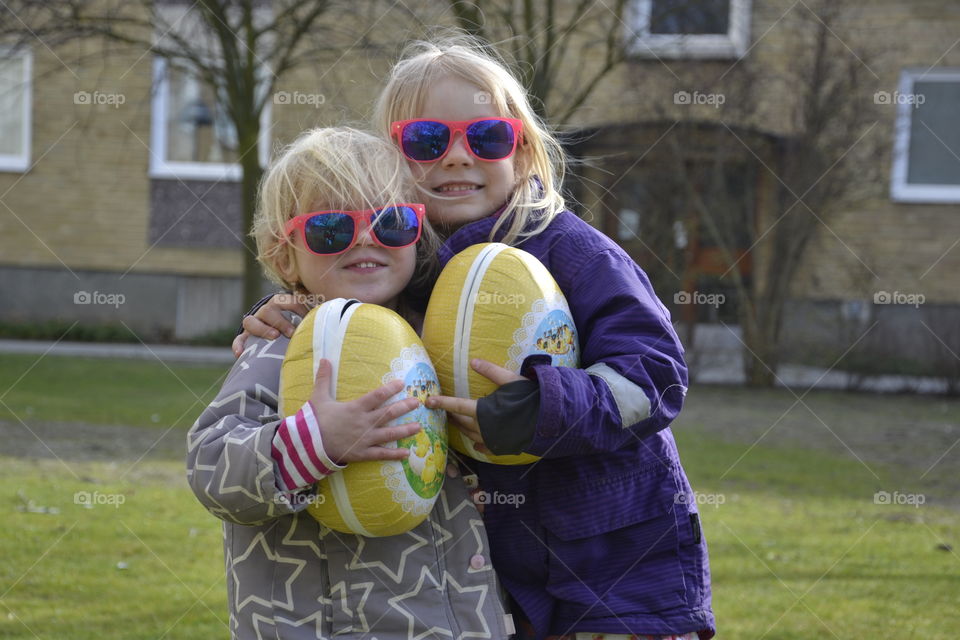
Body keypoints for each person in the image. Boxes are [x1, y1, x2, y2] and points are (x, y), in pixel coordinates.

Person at [236, 38, 715, 640]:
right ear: (390, 161)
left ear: (521, 149)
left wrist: (550, 405)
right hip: (498, 582)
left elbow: (656, 373)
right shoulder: (407, 266)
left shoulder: (570, 248)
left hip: (616, 566)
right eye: (427, 141)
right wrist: (293, 309)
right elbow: (355, 324)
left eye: (486, 137)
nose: (458, 157)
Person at [188, 126, 513, 640]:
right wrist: (318, 441)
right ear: (283, 255)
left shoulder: (431, 336)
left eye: (391, 222)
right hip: (325, 624)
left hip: (454, 618)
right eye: (331, 229)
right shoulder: (284, 346)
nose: (365, 238)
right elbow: (211, 469)